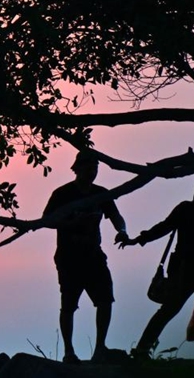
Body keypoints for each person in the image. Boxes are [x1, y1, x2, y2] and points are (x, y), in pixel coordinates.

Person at [120, 177, 194, 363]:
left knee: (171, 310)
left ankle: (141, 350)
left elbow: (165, 227)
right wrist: (140, 239)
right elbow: (165, 227)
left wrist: (139, 239)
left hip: (192, 269)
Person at [43, 151, 129, 364]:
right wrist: (71, 223)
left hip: (94, 255)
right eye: (89, 167)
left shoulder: (101, 194)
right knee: (69, 305)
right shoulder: (62, 194)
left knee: (105, 300)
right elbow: (47, 220)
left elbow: (116, 217)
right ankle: (69, 352)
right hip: (69, 257)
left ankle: (100, 348)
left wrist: (122, 231)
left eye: (95, 167)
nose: (93, 171)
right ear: (77, 168)